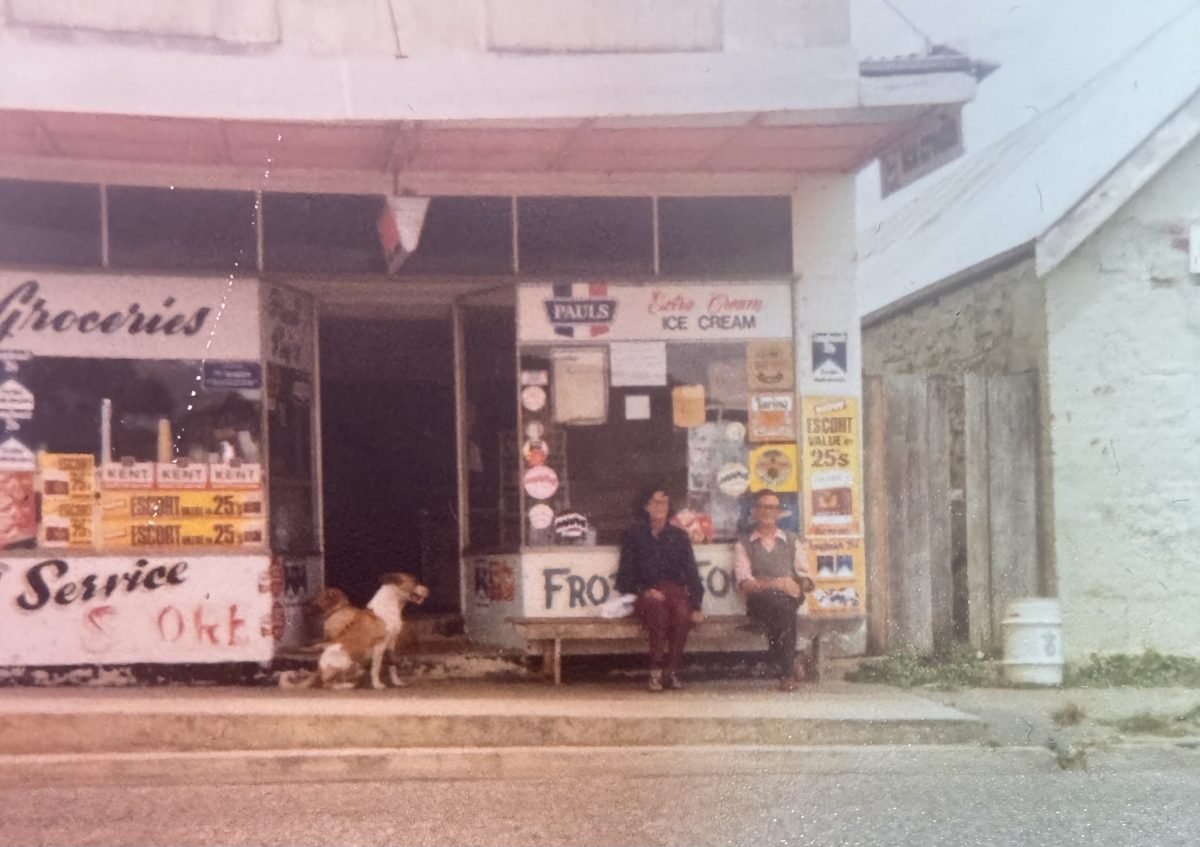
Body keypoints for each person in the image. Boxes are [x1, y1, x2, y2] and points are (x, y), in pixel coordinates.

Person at [616, 485, 705, 692]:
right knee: (658, 611)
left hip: (674, 590)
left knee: (683, 612)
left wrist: (697, 605)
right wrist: (644, 591)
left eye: (664, 502)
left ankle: (672, 671)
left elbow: (692, 573)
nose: (660, 507)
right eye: (655, 502)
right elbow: (624, 577)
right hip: (646, 593)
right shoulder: (634, 535)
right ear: (645, 506)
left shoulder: (679, 536)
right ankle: (655, 671)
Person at [734, 488, 816, 692]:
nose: (768, 511)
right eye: (763, 507)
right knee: (783, 609)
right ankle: (787, 668)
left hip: (788, 598)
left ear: (779, 513)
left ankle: (783, 668)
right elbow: (745, 583)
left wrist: (799, 584)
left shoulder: (791, 540)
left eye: (773, 507)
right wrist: (778, 583)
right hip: (760, 602)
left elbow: (807, 579)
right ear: (754, 511)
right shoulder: (745, 543)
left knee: (784, 606)